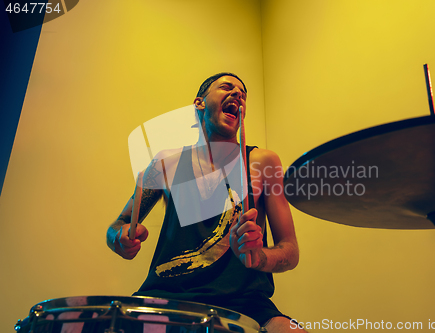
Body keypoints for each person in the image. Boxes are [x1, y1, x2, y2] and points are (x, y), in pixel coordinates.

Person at [107, 73, 303, 332]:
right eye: (226, 87)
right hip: (164, 297)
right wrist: (120, 237)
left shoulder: (262, 162)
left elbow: (290, 250)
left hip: (245, 301)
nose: (238, 94)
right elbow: (118, 224)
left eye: (243, 93)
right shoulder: (165, 164)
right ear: (199, 103)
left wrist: (260, 257)